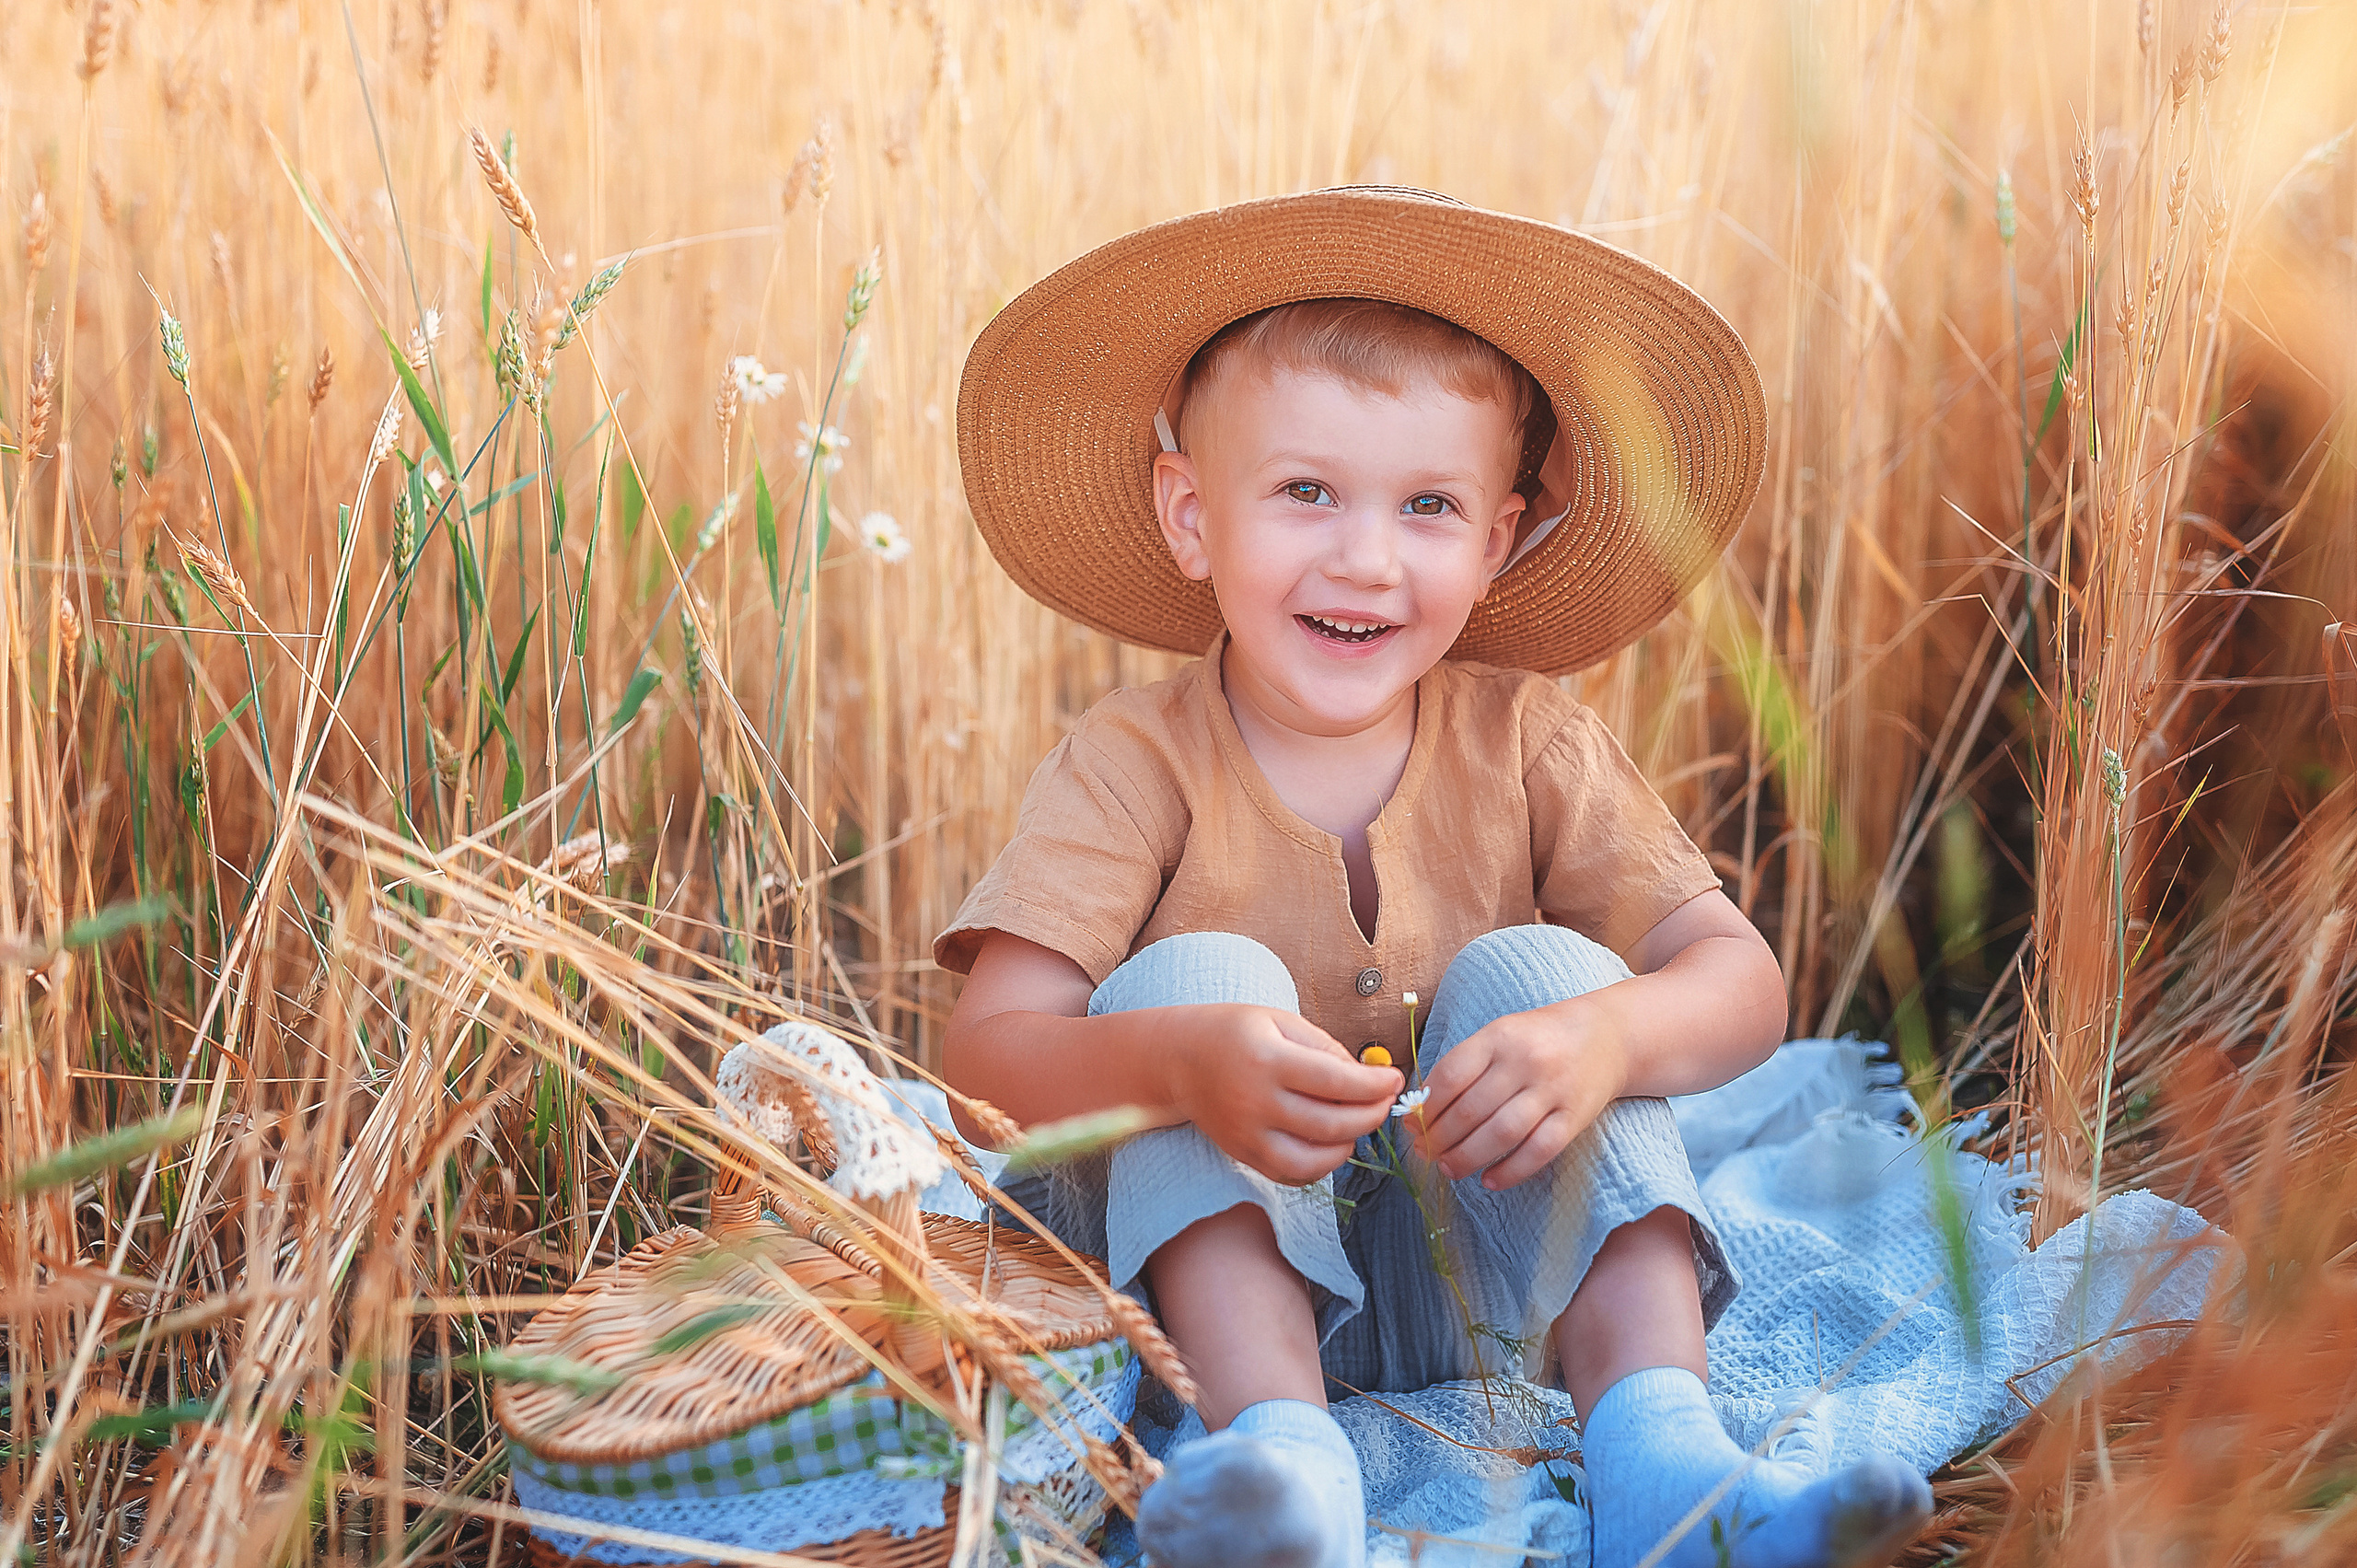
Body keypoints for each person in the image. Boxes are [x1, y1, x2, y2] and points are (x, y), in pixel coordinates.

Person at [935, 188, 1932, 1568]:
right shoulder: (1129, 762)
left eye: (1429, 506)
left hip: (1491, 1288)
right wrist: (1184, 1065)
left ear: (1499, 539)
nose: (1365, 556)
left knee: (1553, 979)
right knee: (1190, 987)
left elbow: (1744, 985)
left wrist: (1604, 1036)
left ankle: (1666, 1462)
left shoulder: (1530, 740)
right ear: (1189, 513)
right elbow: (983, 1057)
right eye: (1303, 492)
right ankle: (1280, 1473)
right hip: (1224, 1298)